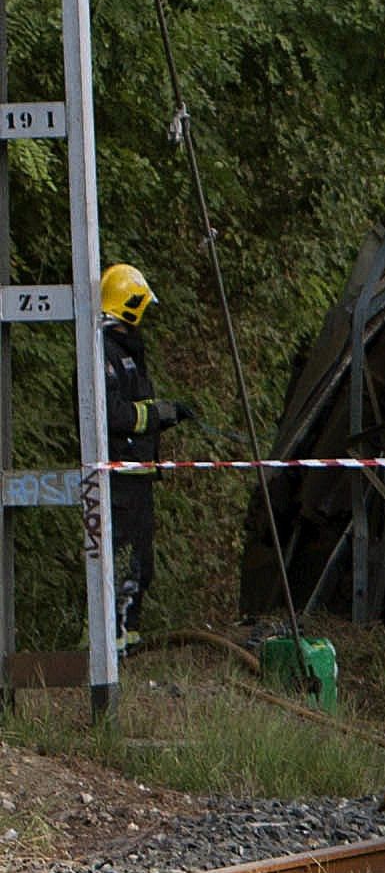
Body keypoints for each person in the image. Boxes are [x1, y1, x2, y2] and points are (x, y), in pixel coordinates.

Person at [98, 263, 192, 643]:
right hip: (120, 479)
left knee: (141, 565)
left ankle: (128, 636)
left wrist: (165, 415)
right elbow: (113, 413)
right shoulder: (103, 351)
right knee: (125, 565)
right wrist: (159, 414)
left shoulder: (127, 352)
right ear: (131, 305)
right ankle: (114, 641)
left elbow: (135, 407)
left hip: (137, 477)